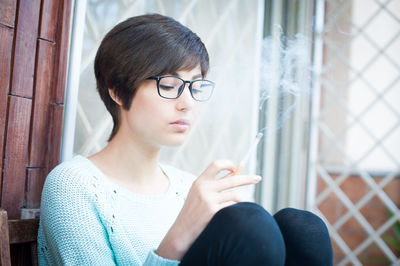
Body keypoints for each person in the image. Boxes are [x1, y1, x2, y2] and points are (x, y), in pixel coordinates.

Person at [37, 13, 333, 266]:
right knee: (248, 224)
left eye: (196, 86)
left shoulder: (185, 188)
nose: (187, 102)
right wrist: (182, 231)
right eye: (169, 85)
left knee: (302, 228)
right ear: (116, 90)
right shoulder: (73, 186)